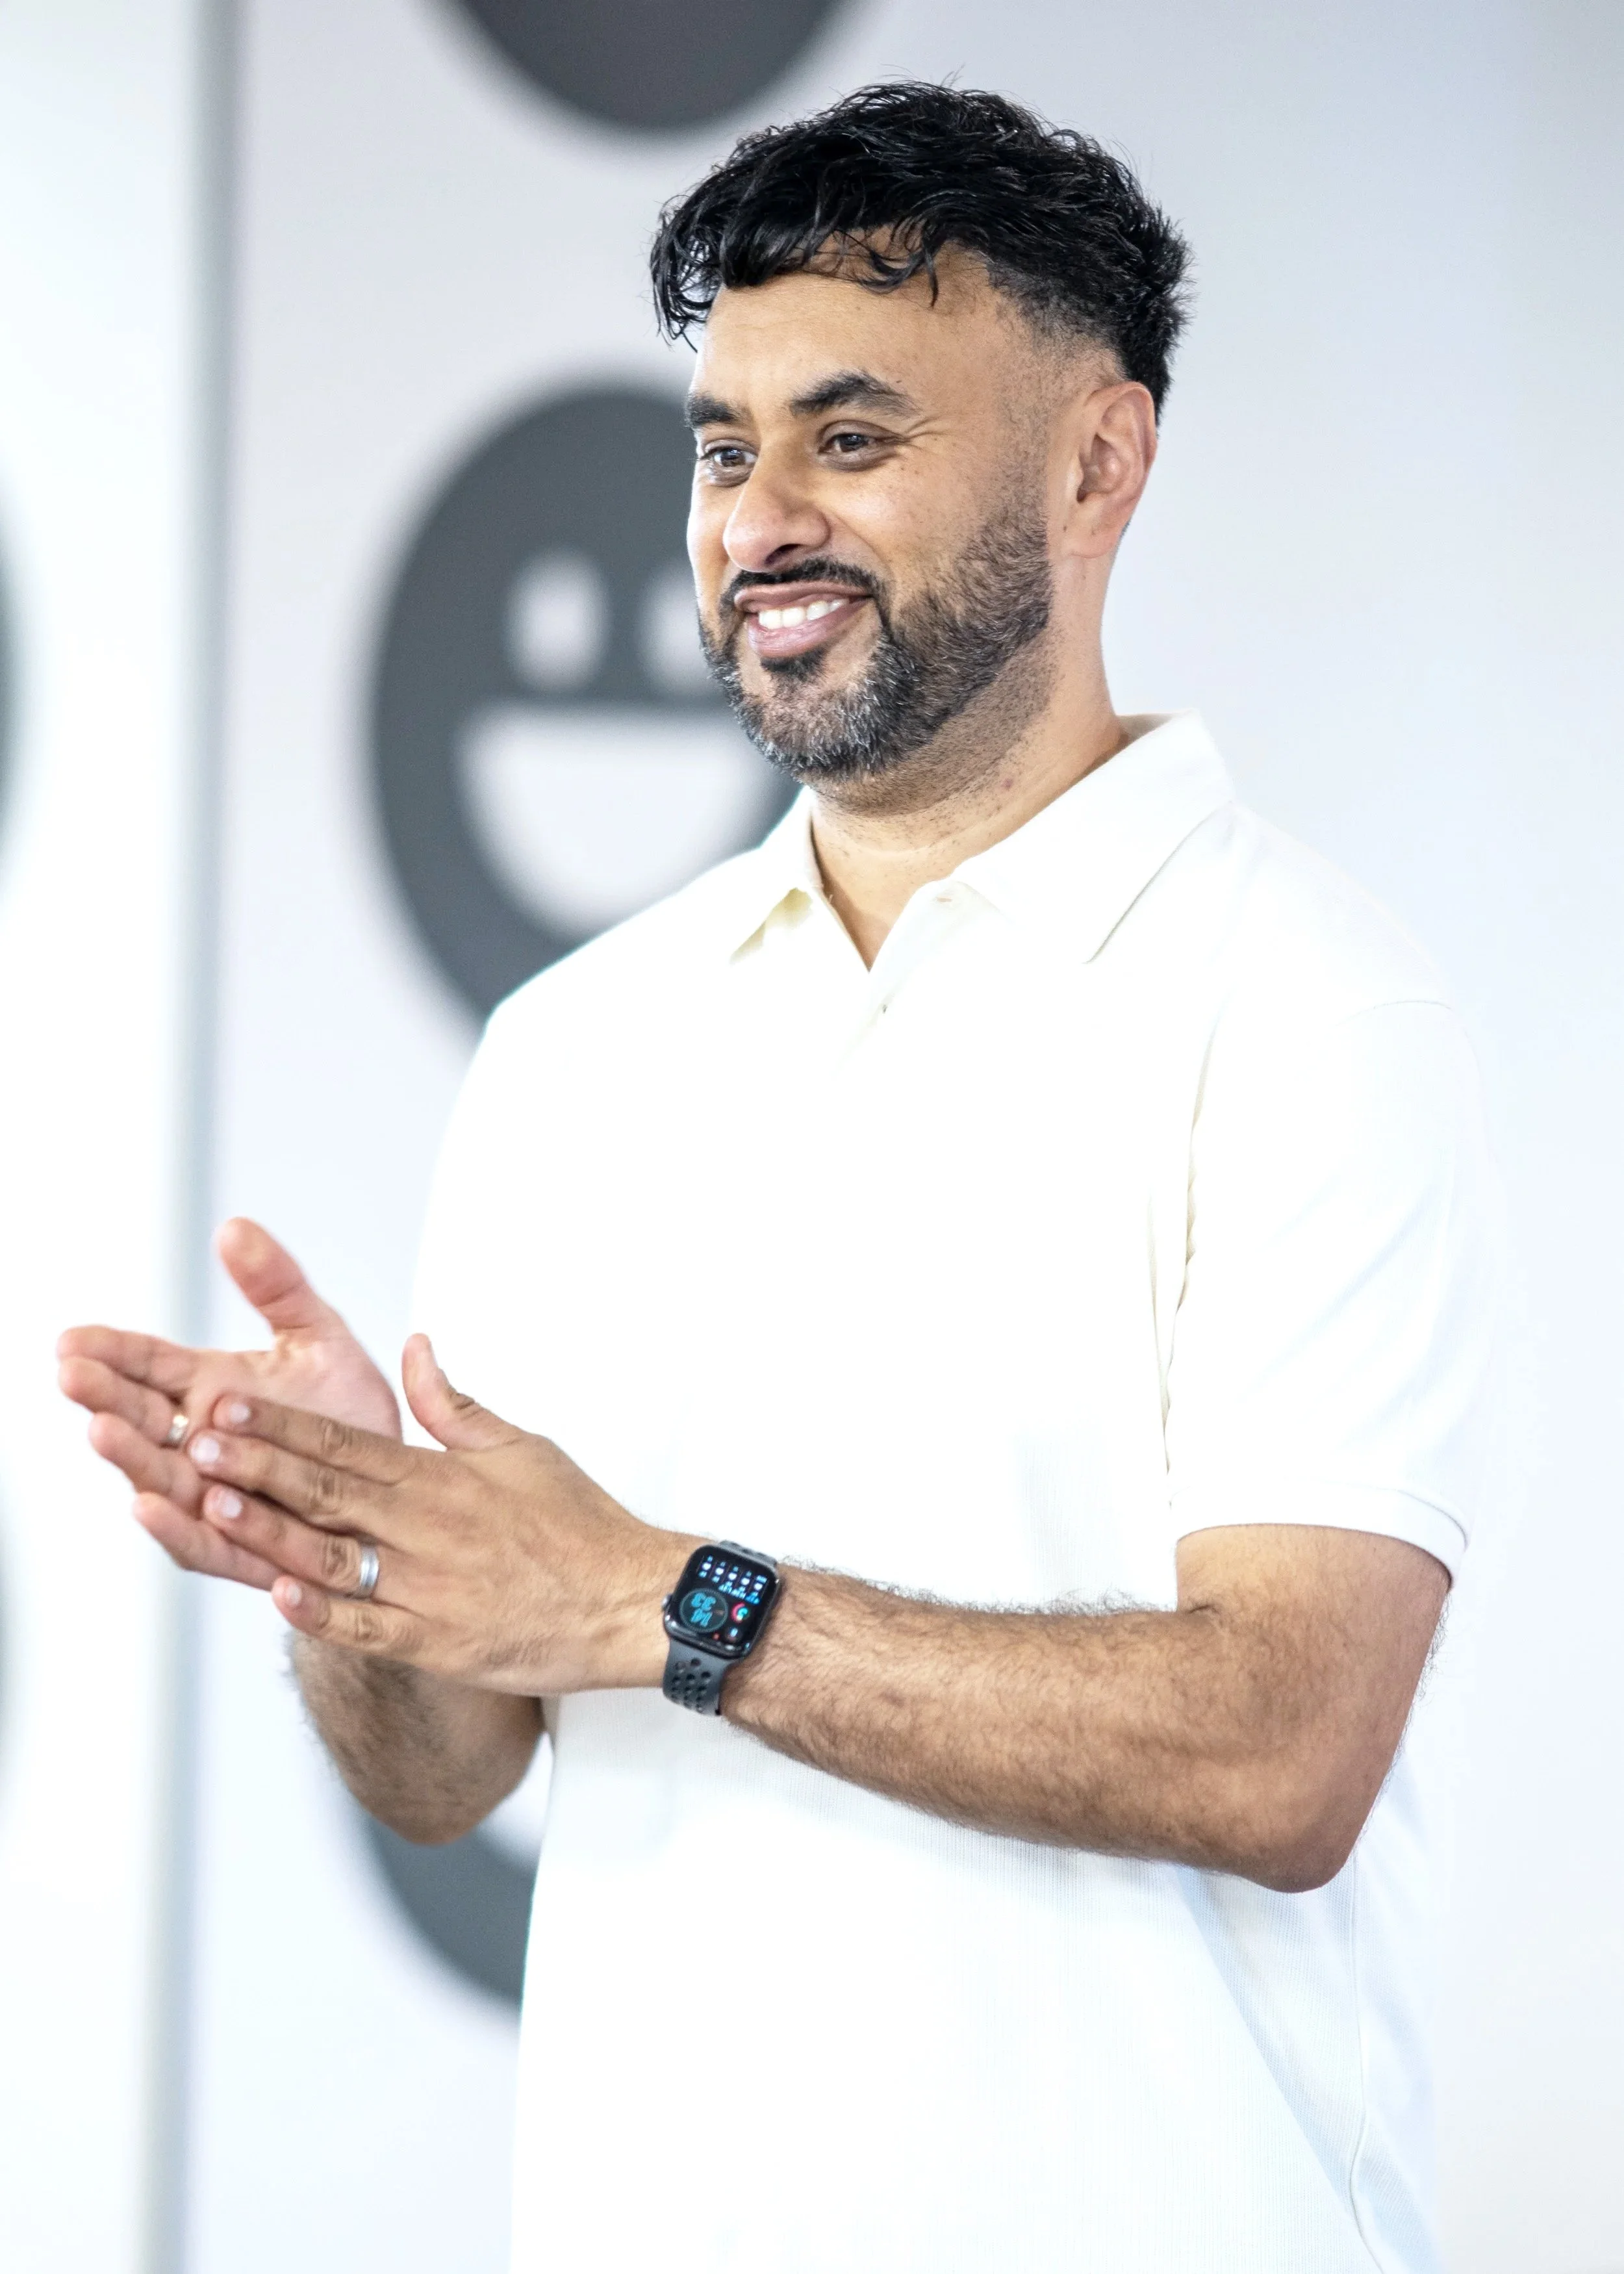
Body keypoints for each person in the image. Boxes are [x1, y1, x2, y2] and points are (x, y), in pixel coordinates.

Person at [60, 83, 1501, 2274]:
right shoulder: (580, 1045)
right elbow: (458, 1770)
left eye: (853, 437)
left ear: (1098, 461)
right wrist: (357, 1571)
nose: (761, 521)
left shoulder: (1304, 1008)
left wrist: (666, 1598)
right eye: (724, 450)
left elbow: (1278, 1748)